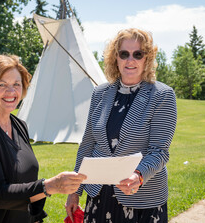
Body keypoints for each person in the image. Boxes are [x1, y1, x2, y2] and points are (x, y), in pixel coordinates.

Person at [0, 54, 86, 223]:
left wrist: (36, 218)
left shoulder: (19, 125)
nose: (11, 91)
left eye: (17, 84)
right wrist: (49, 186)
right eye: (2, 84)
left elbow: (26, 182)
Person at [65, 28, 177, 223]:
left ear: (147, 58)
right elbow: (87, 145)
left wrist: (138, 176)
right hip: (99, 195)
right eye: (124, 54)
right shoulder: (99, 93)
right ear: (115, 58)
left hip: (141, 198)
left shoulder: (162, 95)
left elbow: (159, 152)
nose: (130, 60)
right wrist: (75, 191)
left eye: (138, 54)